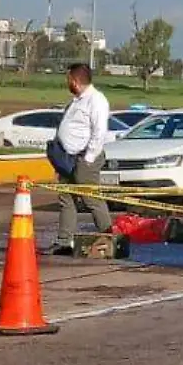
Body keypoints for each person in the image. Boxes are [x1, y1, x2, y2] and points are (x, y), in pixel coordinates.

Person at [50, 62, 113, 255]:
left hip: (85, 158)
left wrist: (88, 158)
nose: (67, 83)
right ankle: (64, 241)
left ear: (76, 81)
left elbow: (99, 131)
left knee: (91, 199)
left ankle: (108, 238)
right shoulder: (77, 101)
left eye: (68, 79)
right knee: (66, 198)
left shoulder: (96, 100)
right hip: (68, 158)